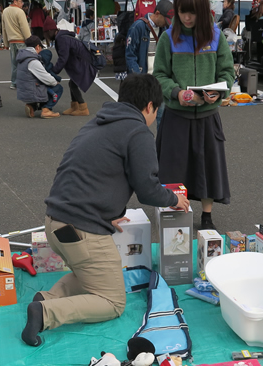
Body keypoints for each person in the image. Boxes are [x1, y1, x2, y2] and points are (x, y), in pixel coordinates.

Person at [22, 74, 191, 346]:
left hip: (55, 222)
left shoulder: (98, 123)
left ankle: (46, 298)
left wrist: (106, 211)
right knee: (112, 301)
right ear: (150, 106)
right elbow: (147, 188)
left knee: (92, 274)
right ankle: (46, 313)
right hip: (80, 231)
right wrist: (174, 199)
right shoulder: (138, 132)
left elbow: (91, 174)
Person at [154, 0, 234, 231]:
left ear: (202, 12)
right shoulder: (168, 38)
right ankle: (174, 213)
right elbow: (159, 75)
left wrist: (218, 92)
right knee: (174, 168)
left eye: (192, 13)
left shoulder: (216, 37)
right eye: (182, 12)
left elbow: (227, 72)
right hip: (176, 115)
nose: (187, 18)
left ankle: (207, 216)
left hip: (208, 116)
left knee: (208, 167)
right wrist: (176, 93)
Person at [44, 16, 97, 116]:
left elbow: (63, 58)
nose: (46, 37)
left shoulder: (61, 39)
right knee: (72, 83)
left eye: (46, 34)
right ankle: (74, 106)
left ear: (50, 31)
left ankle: (83, 107)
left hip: (83, 61)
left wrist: (54, 71)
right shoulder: (62, 36)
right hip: (83, 60)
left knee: (73, 84)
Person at [17, 35, 63, 118]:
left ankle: (32, 106)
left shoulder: (23, 58)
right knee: (58, 88)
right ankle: (46, 109)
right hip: (32, 91)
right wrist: (55, 82)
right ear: (37, 47)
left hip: (24, 90)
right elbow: (47, 78)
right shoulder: (33, 61)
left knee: (41, 84)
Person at [125, 0, 172, 75]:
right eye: (166, 20)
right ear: (157, 14)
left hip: (159, 77)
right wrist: (138, 77)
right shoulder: (137, 27)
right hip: (143, 77)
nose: (167, 23)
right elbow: (130, 56)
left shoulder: (164, 29)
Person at [2, 0, 31, 88]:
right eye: (21, 1)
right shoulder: (20, 12)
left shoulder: (5, 11)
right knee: (24, 63)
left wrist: (6, 43)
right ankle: (23, 82)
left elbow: (4, 28)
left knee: (14, 64)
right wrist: (30, 40)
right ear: (15, 1)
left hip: (11, 41)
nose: (22, 4)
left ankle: (14, 82)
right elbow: (24, 28)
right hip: (21, 41)